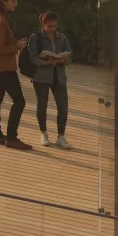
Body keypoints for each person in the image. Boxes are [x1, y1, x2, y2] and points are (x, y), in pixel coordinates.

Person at [0, 0, 31, 151]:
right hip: (4, 67)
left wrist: (15, 42)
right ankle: (11, 137)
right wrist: (17, 46)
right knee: (19, 101)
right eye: (13, 1)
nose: (16, 4)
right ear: (4, 1)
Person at [27, 11, 73, 149]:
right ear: (43, 24)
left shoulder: (62, 38)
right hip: (41, 76)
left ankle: (61, 136)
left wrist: (63, 60)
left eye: (54, 26)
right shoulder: (36, 37)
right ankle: (43, 133)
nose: (52, 29)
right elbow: (32, 57)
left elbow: (70, 55)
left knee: (63, 106)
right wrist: (46, 62)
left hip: (58, 75)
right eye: (49, 26)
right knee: (42, 105)